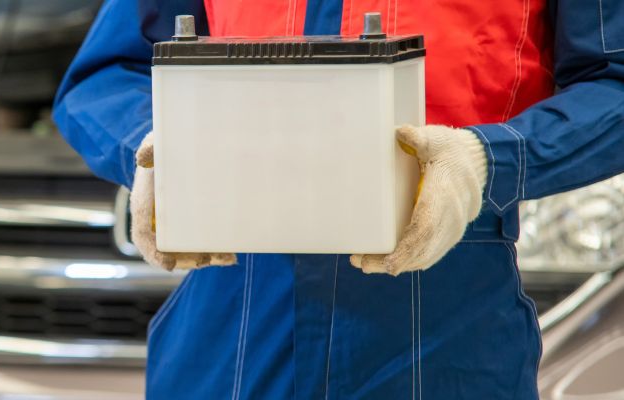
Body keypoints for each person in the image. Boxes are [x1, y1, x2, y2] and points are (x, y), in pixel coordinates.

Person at [53, 1, 624, 398]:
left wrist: (490, 159)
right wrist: (153, 148)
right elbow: (105, 75)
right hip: (231, 316)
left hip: (444, 316)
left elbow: (614, 83)